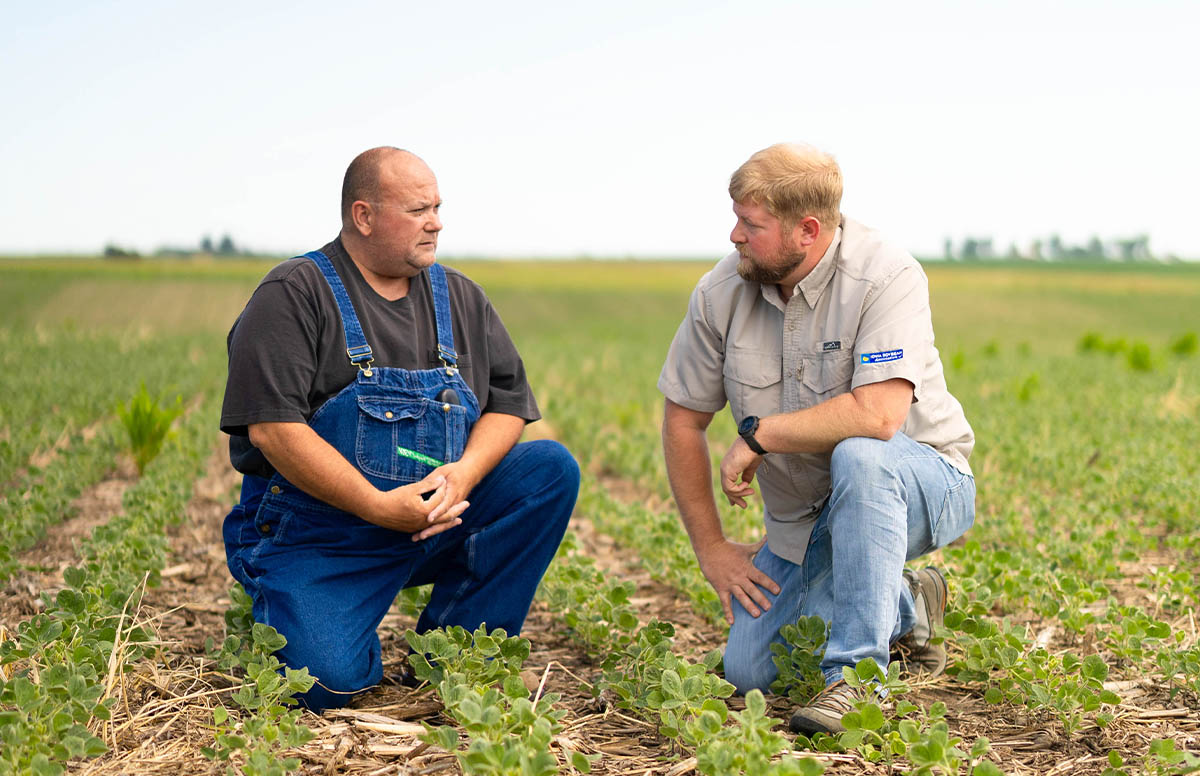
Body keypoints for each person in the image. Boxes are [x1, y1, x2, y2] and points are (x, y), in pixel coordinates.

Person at [220, 147, 579, 711]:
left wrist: (464, 474)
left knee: (549, 470)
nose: (436, 221)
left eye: (436, 207)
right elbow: (272, 429)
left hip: (435, 517)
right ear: (363, 216)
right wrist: (376, 506)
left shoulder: (460, 297)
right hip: (323, 531)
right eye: (418, 210)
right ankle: (298, 608)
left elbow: (507, 404)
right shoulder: (294, 294)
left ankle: (451, 646)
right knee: (324, 684)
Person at [657, 143, 975, 735]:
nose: (733, 236)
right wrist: (712, 549)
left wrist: (763, 434)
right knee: (750, 670)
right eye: (735, 218)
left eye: (750, 225)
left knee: (862, 454)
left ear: (807, 230)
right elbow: (683, 420)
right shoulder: (719, 294)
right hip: (806, 520)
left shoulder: (886, 275)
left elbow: (880, 416)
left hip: (924, 481)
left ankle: (856, 681)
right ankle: (907, 602)